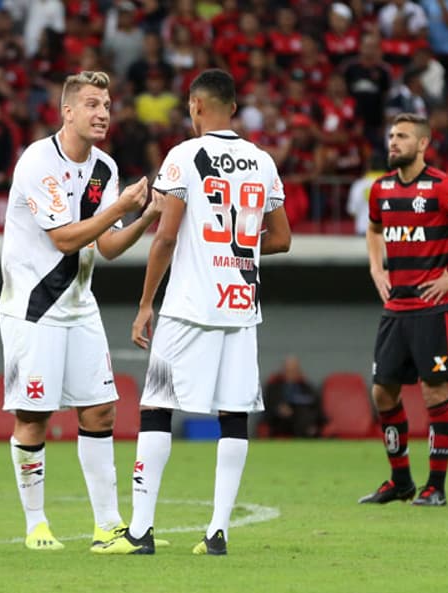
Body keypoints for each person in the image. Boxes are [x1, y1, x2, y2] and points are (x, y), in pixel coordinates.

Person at [114, 68, 290, 556]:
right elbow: (282, 239)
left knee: (156, 407)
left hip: (189, 307)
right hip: (240, 307)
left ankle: (140, 532)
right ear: (233, 108)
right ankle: (217, 534)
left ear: (194, 106)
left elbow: (166, 236)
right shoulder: (261, 161)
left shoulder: (184, 156)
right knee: (233, 415)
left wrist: (147, 302)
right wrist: (239, 250)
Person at [0, 70, 164, 552]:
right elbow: (64, 237)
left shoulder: (105, 168)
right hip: (33, 307)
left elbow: (106, 246)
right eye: (91, 104)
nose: (103, 113)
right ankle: (36, 525)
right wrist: (120, 209)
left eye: (107, 104)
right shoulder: (37, 162)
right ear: (67, 111)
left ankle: (107, 527)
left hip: (79, 304)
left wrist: (146, 215)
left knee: (101, 411)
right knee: (34, 414)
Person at [359, 113, 448, 507]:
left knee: (432, 391)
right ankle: (400, 481)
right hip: (396, 306)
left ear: (422, 145)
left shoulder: (443, 187)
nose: (393, 142)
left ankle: (436, 485)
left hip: (434, 308)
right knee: (383, 391)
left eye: (402, 136)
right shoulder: (380, 189)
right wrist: (375, 266)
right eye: (391, 135)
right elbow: (373, 229)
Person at [263, 355, 325, 438]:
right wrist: (279, 409)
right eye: (288, 370)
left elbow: (316, 405)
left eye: (293, 370)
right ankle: (308, 431)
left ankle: (307, 429)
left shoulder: (306, 387)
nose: (291, 373)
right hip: (282, 420)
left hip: (303, 416)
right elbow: (269, 406)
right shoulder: (274, 387)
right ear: (283, 370)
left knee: (303, 413)